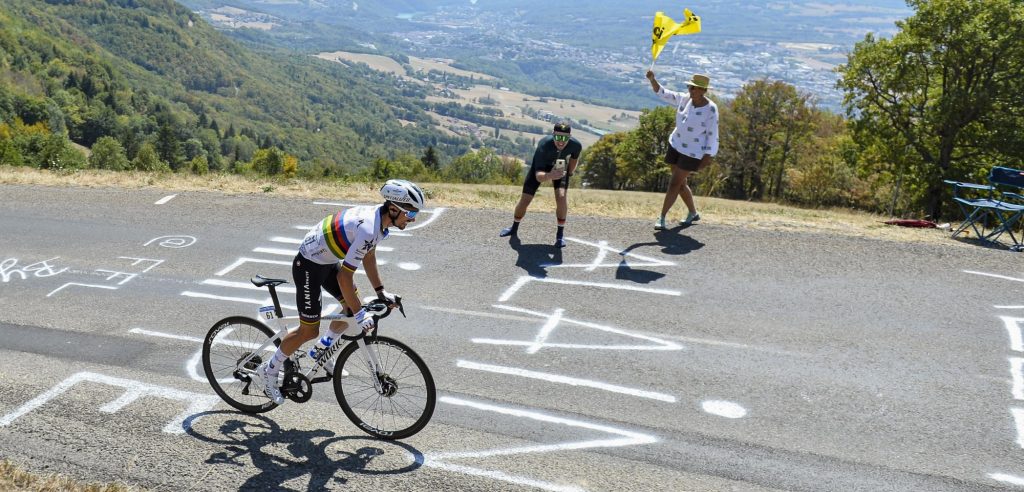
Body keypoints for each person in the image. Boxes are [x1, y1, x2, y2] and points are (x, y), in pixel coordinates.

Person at [256, 179, 425, 404]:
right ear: (393, 209)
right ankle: (268, 370)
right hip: (308, 265)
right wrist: (360, 314)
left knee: (350, 308)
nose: (412, 220)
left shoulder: (380, 225)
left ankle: (320, 352)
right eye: (410, 215)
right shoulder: (368, 228)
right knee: (309, 330)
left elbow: (369, 255)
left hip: (326, 259)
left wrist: (381, 291)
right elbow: (344, 277)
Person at [645, 70, 719, 230]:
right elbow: (664, 93)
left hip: (693, 153)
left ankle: (662, 217)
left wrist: (707, 156)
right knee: (680, 183)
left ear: (704, 91)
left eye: (695, 88)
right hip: (676, 144)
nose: (691, 90)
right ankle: (693, 213)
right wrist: (652, 79)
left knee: (674, 184)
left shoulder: (711, 109)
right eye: (690, 87)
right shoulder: (685, 99)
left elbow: (712, 135)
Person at [499, 122, 583, 247]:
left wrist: (569, 174)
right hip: (541, 169)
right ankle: (514, 228)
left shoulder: (576, 145)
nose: (561, 141)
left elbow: (573, 160)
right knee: (525, 199)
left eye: (565, 138)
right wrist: (550, 175)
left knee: (561, 197)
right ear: (553, 134)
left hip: (560, 168)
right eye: (558, 137)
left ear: (570, 137)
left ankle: (560, 236)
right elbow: (538, 176)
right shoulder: (544, 145)